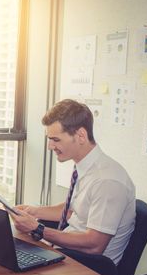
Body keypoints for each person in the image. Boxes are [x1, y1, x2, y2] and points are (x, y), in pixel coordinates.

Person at [11, 99, 135, 265]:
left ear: (81, 136)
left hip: (89, 268)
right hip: (67, 253)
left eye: (56, 139)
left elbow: (94, 245)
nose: (50, 146)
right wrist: (34, 212)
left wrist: (37, 228)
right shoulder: (86, 168)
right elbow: (74, 211)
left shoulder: (107, 181)